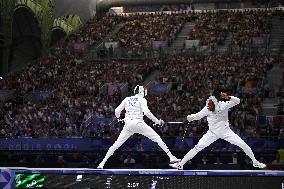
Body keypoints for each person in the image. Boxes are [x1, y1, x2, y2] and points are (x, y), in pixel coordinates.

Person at [170, 92, 266, 169]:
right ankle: (181, 164)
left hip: (226, 132)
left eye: (211, 107)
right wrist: (190, 117)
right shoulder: (207, 108)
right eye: (208, 106)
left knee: (243, 144)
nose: (209, 108)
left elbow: (238, 101)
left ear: (216, 104)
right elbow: (197, 116)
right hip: (212, 133)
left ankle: (255, 162)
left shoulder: (223, 105)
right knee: (197, 147)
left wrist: (228, 97)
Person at [98, 85, 180, 168]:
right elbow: (147, 113)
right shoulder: (142, 99)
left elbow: (116, 111)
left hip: (128, 125)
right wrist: (157, 121)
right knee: (157, 138)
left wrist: (119, 118)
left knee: (116, 144)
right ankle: (171, 157)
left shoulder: (127, 99)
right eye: (144, 91)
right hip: (138, 124)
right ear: (142, 92)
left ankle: (102, 163)